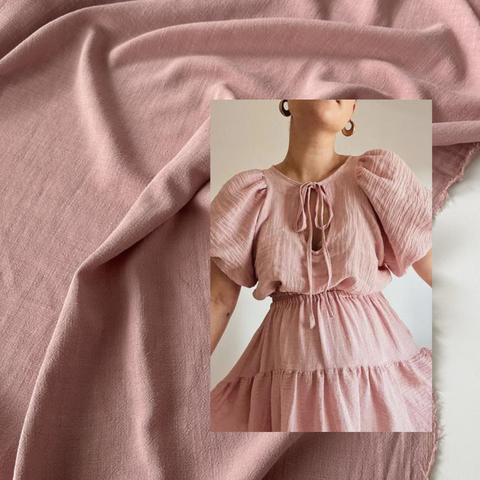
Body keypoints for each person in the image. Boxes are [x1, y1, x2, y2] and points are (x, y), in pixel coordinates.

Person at [210, 99, 433, 432]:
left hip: (375, 373)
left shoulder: (378, 175)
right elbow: (217, 300)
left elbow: (445, 272)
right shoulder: (249, 194)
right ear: (287, 100)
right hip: (287, 373)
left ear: (352, 111)